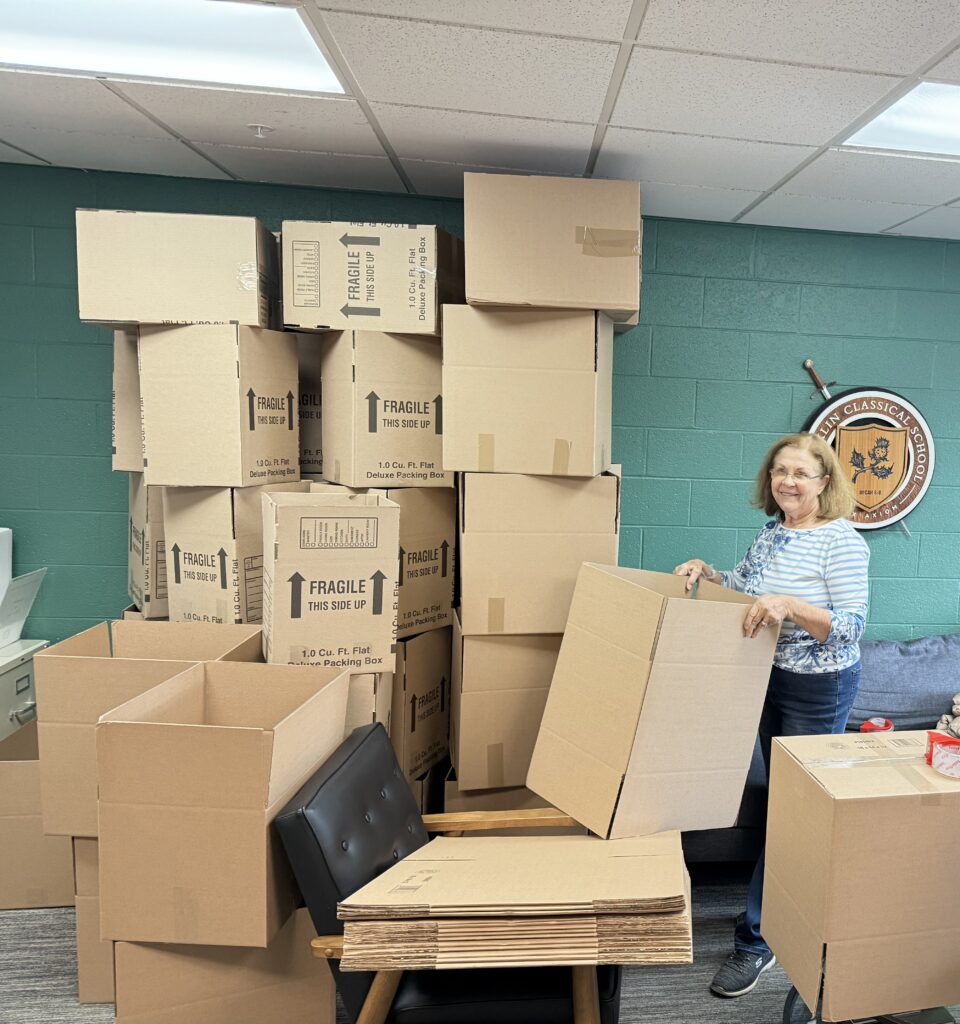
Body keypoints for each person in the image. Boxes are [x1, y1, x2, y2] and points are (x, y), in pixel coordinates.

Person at [674, 432, 869, 999]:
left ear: (824, 482)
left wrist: (791, 606)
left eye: (802, 473)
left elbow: (851, 625)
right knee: (777, 803)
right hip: (767, 676)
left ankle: (759, 941)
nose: (788, 481)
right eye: (781, 470)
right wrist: (710, 574)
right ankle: (779, 911)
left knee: (792, 813)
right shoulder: (773, 532)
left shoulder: (841, 540)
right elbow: (747, 588)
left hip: (819, 687)